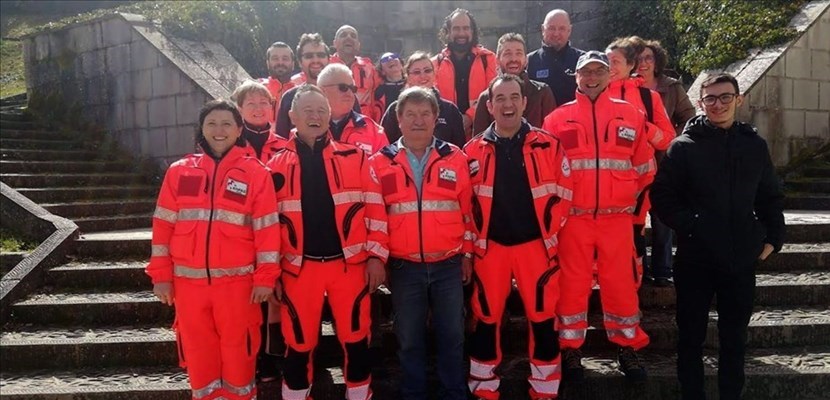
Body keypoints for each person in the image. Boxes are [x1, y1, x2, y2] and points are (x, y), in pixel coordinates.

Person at [650, 73, 785, 400]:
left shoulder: (754, 145)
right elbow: (663, 198)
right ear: (701, 102)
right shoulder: (682, 147)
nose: (718, 104)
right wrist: (693, 224)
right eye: (710, 98)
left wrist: (772, 238)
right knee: (690, 338)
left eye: (725, 97)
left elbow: (769, 196)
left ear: (738, 99)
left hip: (740, 260)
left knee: (735, 339)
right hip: (696, 260)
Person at [147, 99, 281, 400]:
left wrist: (265, 277)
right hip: (188, 286)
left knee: (239, 354)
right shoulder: (179, 171)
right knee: (197, 354)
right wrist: (161, 275)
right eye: (212, 123)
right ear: (202, 129)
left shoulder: (255, 172)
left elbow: (268, 228)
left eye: (226, 124)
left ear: (238, 130)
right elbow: (163, 225)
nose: (219, 130)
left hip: (238, 286)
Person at [265, 85, 387, 400]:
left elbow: (376, 209)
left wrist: (376, 256)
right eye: (307, 110)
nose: (315, 116)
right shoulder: (273, 165)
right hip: (297, 269)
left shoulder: (356, 157)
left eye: (321, 110)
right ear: (291, 116)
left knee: (356, 338)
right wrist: (271, 271)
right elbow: (265, 227)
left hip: (350, 266)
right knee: (299, 342)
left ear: (329, 114)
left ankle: (359, 395)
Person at [542, 51, 653, 383]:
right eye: (585, 72)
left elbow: (646, 171)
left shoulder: (631, 115)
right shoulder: (557, 119)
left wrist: (637, 221)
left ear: (609, 76)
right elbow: (547, 176)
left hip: (617, 220)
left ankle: (627, 346)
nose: (592, 77)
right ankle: (571, 348)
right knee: (571, 286)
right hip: (573, 220)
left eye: (598, 71)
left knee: (621, 286)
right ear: (576, 77)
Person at [465, 74, 573, 400]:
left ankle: (545, 389)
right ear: (489, 105)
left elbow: (565, 193)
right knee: (485, 319)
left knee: (542, 319)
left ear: (524, 102)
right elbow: (464, 206)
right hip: (490, 249)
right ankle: (484, 388)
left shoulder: (548, 144)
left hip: (535, 248)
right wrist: (472, 248)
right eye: (500, 98)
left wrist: (548, 236)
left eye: (514, 97)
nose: (507, 104)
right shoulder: (471, 151)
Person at [367, 87, 473, 400]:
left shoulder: (455, 157)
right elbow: (376, 217)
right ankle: (414, 391)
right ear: (398, 119)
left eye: (425, 113)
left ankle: (453, 391)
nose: (418, 120)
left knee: (452, 334)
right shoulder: (379, 163)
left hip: (449, 263)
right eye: (410, 114)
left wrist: (467, 254)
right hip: (404, 266)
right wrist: (380, 259)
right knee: (409, 336)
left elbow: (468, 212)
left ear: (436, 118)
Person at [605, 36, 676, 287]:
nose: (609, 66)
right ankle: (631, 277)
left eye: (615, 61)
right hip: (608, 182)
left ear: (630, 65)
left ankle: (649, 274)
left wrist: (640, 126)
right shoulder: (594, 94)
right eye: (606, 60)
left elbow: (668, 138)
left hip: (642, 178)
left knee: (639, 229)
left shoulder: (649, 98)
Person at [230, 80, 288, 382]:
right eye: (250, 103)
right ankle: (248, 356)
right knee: (246, 300)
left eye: (263, 103)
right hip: (240, 235)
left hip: (280, 230)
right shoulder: (228, 147)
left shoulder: (285, 145)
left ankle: (273, 356)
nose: (257, 108)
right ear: (238, 110)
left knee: (278, 298)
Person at [636, 38, 697, 285]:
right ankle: (642, 269)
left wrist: (672, 139)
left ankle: (662, 269)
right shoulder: (626, 87)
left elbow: (689, 117)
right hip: (637, 164)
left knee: (662, 218)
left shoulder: (671, 87)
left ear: (656, 61)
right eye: (638, 58)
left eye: (648, 58)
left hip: (665, 161)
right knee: (637, 221)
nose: (643, 63)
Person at [277, 33, 360, 139]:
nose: (315, 60)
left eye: (321, 55)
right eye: (309, 56)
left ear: (328, 59)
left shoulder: (346, 94)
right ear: (300, 62)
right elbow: (281, 141)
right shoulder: (289, 98)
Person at [473, 33, 556, 135]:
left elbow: (552, 135)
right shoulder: (486, 97)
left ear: (526, 60)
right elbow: (479, 143)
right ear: (497, 60)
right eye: (507, 54)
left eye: (519, 53)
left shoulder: (542, 93)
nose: (513, 59)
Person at [432, 8, 497, 138]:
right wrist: (454, 119)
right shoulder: (435, 64)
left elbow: (494, 93)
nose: (461, 33)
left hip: (482, 134)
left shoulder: (488, 59)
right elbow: (432, 100)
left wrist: (469, 116)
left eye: (466, 28)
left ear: (472, 31)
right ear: (448, 32)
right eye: (456, 28)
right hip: (446, 135)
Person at [382, 51, 466, 148]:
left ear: (434, 74)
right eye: (417, 72)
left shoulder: (450, 110)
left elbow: (459, 150)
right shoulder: (394, 109)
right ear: (407, 77)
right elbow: (385, 148)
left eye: (427, 70)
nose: (423, 76)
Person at [317, 63, 388, 154]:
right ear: (322, 91)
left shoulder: (374, 131)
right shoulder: (306, 128)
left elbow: (385, 166)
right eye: (343, 87)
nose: (350, 93)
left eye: (353, 88)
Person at [527, 9, 584, 105]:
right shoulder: (529, 61)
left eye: (561, 28)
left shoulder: (582, 60)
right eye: (551, 28)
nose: (556, 33)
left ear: (569, 30)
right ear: (542, 29)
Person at [330, 25, 378, 121]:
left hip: (364, 124)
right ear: (334, 43)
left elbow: (377, 97)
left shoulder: (369, 67)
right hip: (332, 123)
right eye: (343, 35)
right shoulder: (325, 65)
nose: (349, 37)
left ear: (358, 44)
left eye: (353, 36)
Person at [259, 41, 296, 125]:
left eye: (285, 59)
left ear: (293, 64)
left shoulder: (300, 93)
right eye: (275, 58)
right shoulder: (257, 91)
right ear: (268, 63)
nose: (280, 62)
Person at [373, 52, 405, 123]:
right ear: (382, 71)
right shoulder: (378, 92)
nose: (390, 59)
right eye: (385, 59)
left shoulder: (412, 86)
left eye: (394, 56)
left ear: (402, 65)